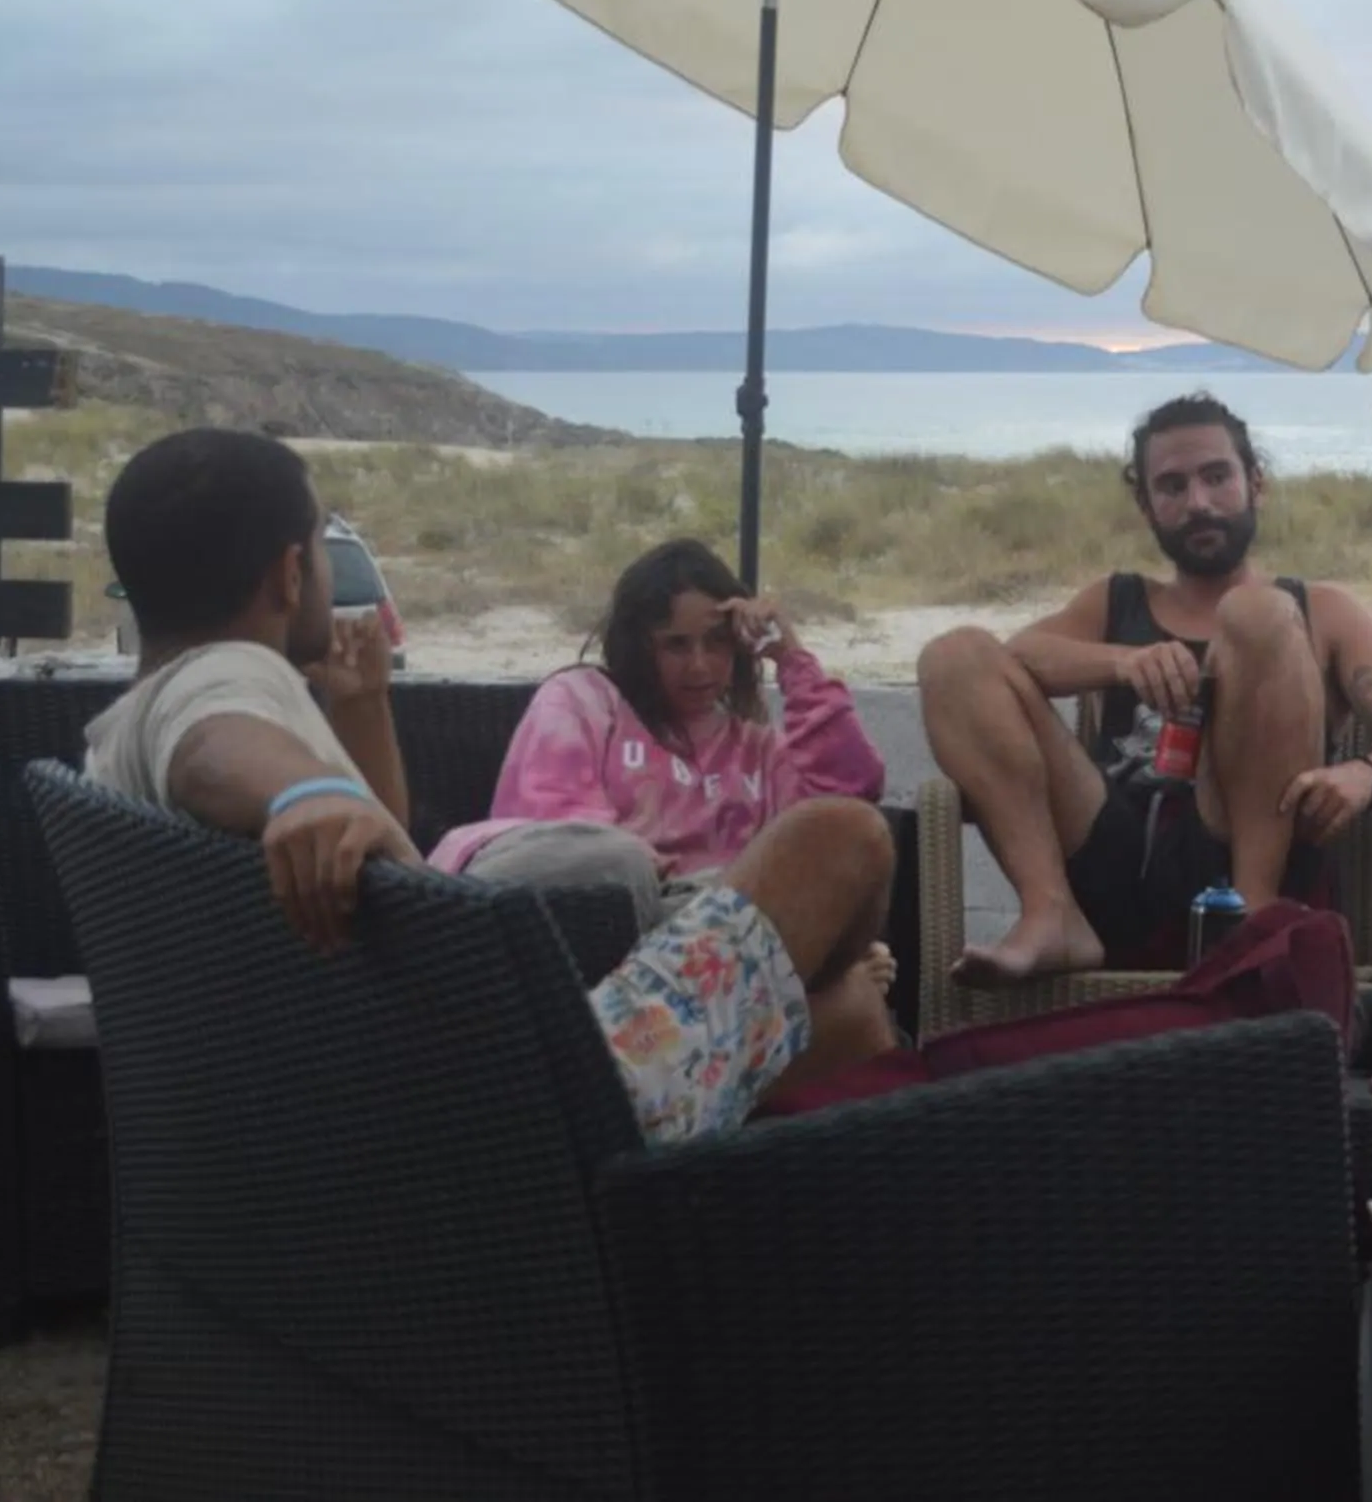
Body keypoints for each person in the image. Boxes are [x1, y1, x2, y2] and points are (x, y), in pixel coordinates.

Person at [81, 429, 899, 1144]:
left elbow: (381, 853)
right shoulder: (225, 683)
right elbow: (212, 748)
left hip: (389, 1066)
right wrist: (301, 795)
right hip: (532, 1098)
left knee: (853, 1007)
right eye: (323, 546)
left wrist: (361, 711)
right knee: (844, 840)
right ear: (291, 574)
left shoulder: (131, 721)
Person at [920, 393, 1372, 983]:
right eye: (1172, 486)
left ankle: (1251, 924)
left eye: (1216, 477)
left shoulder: (1322, 612)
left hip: (1239, 847)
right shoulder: (1117, 603)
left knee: (1258, 613)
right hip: (1112, 852)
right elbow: (1008, 661)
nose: (1198, 503)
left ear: (1256, 483)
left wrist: (1366, 773)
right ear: (1146, 505)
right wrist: (1123, 662)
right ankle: (1050, 913)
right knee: (952, 656)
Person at [427, 538, 888, 935]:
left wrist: (791, 659)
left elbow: (852, 796)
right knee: (617, 861)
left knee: (846, 904)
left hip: (700, 941)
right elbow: (557, 830)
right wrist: (660, 875)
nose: (699, 666)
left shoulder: (758, 750)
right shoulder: (584, 699)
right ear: (639, 646)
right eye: (676, 645)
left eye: (716, 642)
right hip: (579, 921)